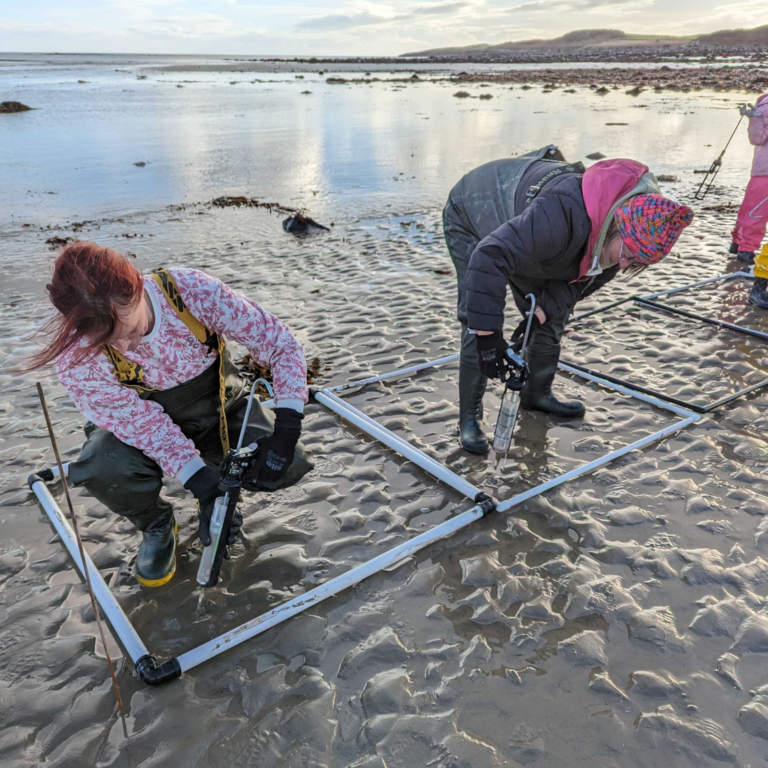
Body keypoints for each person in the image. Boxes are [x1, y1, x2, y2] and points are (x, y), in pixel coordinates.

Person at [26, 243, 314, 586]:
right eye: (105, 341)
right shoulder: (76, 358)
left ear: (136, 285)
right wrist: (202, 486)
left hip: (221, 410)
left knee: (290, 463)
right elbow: (145, 426)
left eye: (130, 332)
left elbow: (280, 344)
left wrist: (285, 431)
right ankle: (157, 525)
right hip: (140, 433)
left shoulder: (190, 291)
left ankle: (219, 473)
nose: (124, 349)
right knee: (104, 466)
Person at [444, 146, 694, 454]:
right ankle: (469, 418)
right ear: (617, 225)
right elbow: (490, 256)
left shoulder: (616, 246)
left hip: (530, 235)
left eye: (638, 263)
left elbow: (570, 289)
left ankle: (536, 394)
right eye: (628, 255)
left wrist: (536, 318)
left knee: (550, 315)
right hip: (474, 211)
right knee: (476, 318)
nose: (626, 265)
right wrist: (488, 337)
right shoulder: (559, 215)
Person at [728, 95, 768, 306]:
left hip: (762, 170)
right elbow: (757, 138)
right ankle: (745, 249)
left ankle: (739, 244)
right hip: (765, 171)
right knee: (756, 212)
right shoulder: (766, 107)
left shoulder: (764, 105)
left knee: (751, 209)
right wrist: (755, 117)